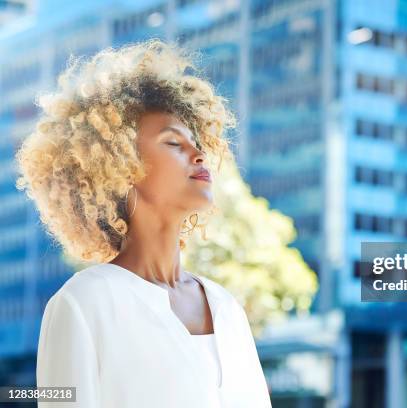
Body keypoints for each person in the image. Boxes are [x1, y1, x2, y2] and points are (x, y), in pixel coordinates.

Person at [15, 38, 272, 407]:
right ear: (120, 166)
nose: (199, 155)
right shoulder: (84, 303)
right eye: (173, 143)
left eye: (196, 143)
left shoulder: (226, 307)